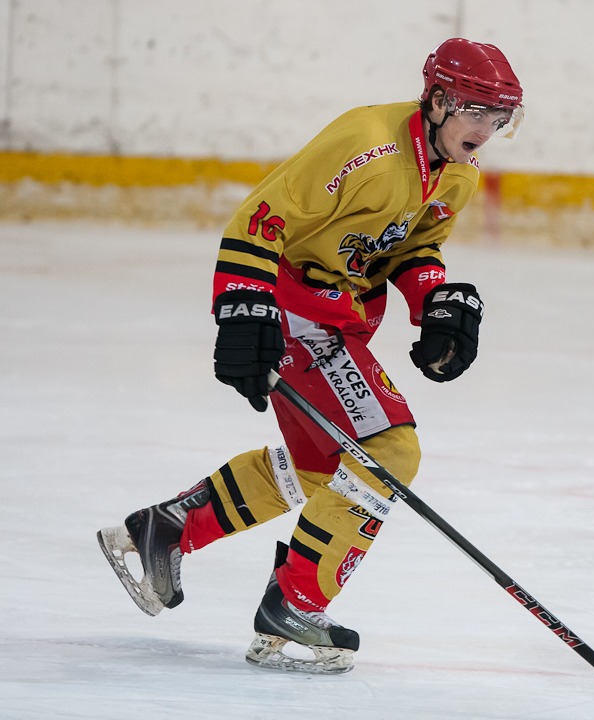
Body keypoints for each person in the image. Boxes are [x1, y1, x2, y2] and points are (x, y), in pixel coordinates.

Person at [97, 37, 524, 674]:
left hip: (341, 316)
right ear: (438, 101)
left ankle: (167, 529)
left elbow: (411, 247)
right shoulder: (366, 144)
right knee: (389, 452)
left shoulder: (457, 172)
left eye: (501, 117)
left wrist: (435, 298)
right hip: (297, 311)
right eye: (476, 111)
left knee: (323, 470)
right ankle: (295, 603)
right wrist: (243, 307)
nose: (487, 129)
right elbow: (261, 217)